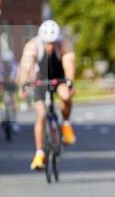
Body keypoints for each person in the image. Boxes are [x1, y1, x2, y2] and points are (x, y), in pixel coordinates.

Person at [17, 20, 77, 170]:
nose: (50, 46)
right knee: (41, 114)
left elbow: (69, 65)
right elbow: (25, 67)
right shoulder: (32, 46)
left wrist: (70, 83)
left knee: (65, 96)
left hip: (59, 77)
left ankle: (66, 125)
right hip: (40, 80)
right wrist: (23, 85)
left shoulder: (64, 44)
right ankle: (39, 154)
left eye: (53, 42)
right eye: (47, 43)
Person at [0, 49, 19, 132]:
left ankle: (14, 122)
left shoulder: (14, 64)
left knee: (13, 99)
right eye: (5, 62)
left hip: (10, 82)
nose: (7, 63)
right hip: (1, 82)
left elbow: (15, 75)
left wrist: (12, 79)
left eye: (8, 62)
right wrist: (0, 80)